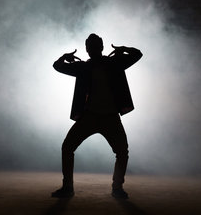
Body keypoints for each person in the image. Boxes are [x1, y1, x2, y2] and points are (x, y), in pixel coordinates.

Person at [51, 33, 142, 199]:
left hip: (109, 117)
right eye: (90, 46)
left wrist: (124, 49)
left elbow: (138, 54)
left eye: (94, 46)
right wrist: (64, 57)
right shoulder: (86, 67)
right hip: (90, 117)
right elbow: (57, 66)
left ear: (100, 47)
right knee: (68, 147)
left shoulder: (113, 63)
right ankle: (70, 187)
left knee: (122, 151)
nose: (92, 49)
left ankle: (116, 188)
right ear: (87, 49)